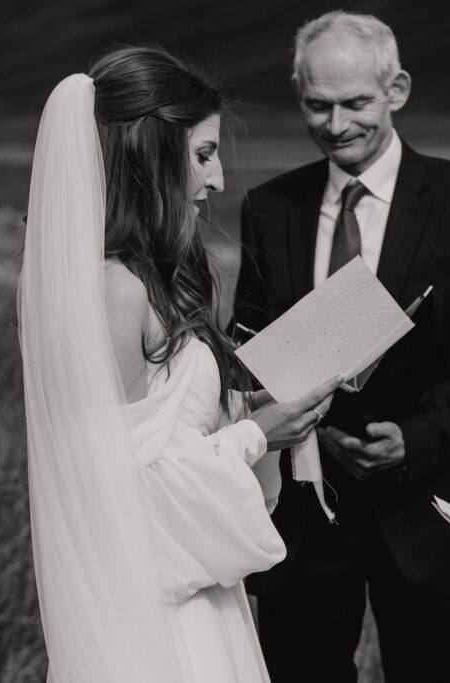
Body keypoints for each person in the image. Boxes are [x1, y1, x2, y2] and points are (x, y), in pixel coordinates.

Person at [18, 45, 341, 682]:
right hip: (154, 631)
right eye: (202, 153)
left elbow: (164, 447)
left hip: (196, 603)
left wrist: (248, 413)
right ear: (148, 155)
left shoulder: (146, 280)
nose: (218, 179)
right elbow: (117, 501)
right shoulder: (116, 292)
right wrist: (256, 434)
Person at [234, 11, 450, 683]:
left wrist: (414, 437)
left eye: (355, 103)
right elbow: (249, 341)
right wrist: (304, 427)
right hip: (303, 508)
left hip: (428, 497)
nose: (336, 125)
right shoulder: (268, 208)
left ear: (397, 89)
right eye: (317, 105)